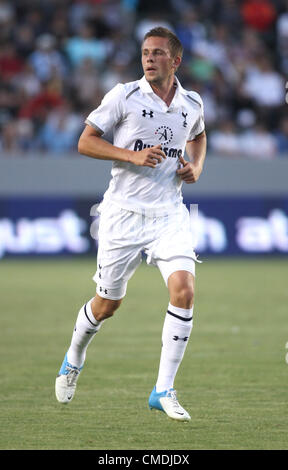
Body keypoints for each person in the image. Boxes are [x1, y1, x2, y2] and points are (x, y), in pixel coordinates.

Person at [55, 26, 207, 421]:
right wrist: (131, 155)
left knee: (184, 289)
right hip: (122, 214)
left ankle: (163, 389)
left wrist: (196, 167)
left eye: (157, 53)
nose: (149, 58)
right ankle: (74, 356)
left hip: (169, 213)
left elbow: (199, 136)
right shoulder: (124, 95)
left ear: (175, 60)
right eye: (145, 52)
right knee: (107, 304)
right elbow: (85, 141)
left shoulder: (192, 103)